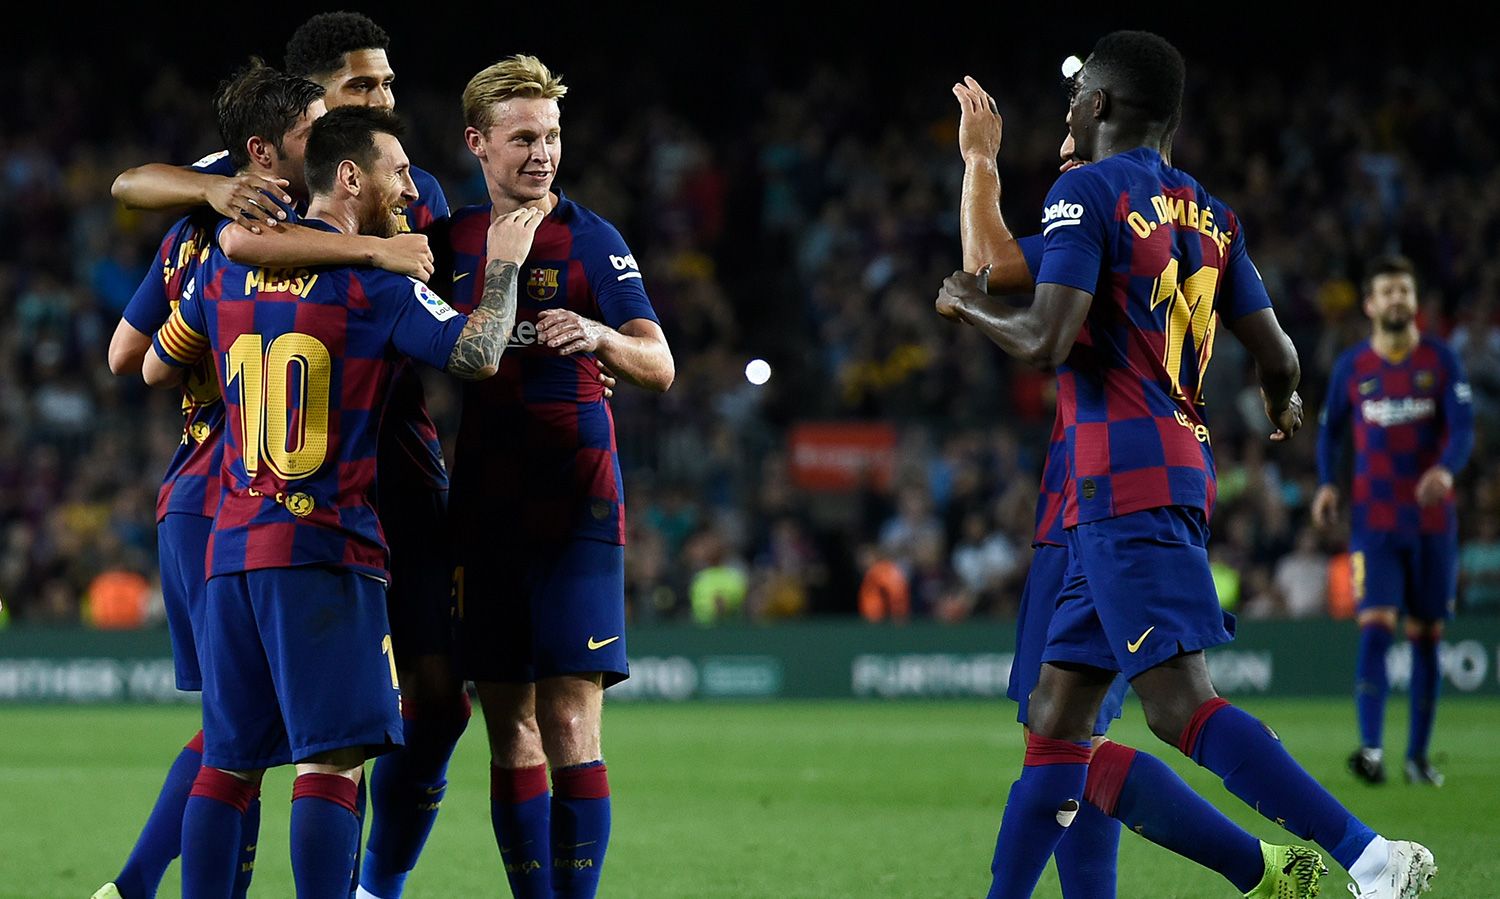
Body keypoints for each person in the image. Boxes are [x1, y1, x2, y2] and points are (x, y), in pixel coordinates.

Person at [936, 32, 1435, 899]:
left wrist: (967, 304)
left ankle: (1368, 856)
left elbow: (1044, 333)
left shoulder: (1084, 191)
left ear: (1099, 107)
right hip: (1152, 473)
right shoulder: (1212, 213)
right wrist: (1283, 404)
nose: (1067, 109)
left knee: (1179, 705)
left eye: (1076, 96)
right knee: (1059, 723)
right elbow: (1279, 353)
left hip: (1120, 479)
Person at [142, 105, 541, 899]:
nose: (409, 187)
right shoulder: (372, 281)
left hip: (234, 547)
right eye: (396, 170)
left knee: (229, 763)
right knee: (330, 763)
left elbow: (158, 360)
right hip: (325, 548)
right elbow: (478, 352)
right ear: (350, 176)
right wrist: (503, 266)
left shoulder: (223, 268)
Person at [433, 55, 674, 899]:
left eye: (553, 136)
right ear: (478, 143)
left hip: (579, 505)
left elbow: (659, 361)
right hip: (486, 512)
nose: (542, 153)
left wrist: (602, 338)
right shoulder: (446, 240)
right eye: (524, 137)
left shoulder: (591, 237)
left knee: (571, 720)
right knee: (512, 731)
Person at [94, 61, 329, 899]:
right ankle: (133, 885)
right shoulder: (299, 226)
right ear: (266, 152)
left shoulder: (196, 222)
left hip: (193, 491)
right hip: (242, 495)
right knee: (245, 738)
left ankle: (134, 886)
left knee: (237, 730)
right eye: (316, 128)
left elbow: (129, 356)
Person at [1312, 255, 1474, 786]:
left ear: (1414, 300)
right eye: (1388, 291)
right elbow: (1330, 432)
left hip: (1432, 524)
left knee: (1427, 633)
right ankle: (1373, 750)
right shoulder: (1353, 367)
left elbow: (1463, 429)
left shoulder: (1442, 361)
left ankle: (1418, 757)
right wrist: (1328, 482)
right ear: (1370, 304)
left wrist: (1447, 471)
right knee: (1376, 626)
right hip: (1374, 522)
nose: (1398, 299)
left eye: (1405, 290)